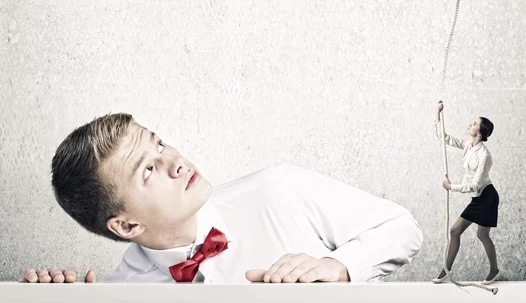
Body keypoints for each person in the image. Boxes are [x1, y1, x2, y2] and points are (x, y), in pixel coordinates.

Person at [19, 112, 423, 284]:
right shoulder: (121, 291)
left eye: (159, 144)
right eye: (147, 169)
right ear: (126, 226)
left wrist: (339, 266)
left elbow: (402, 228)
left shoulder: (278, 189)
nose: (174, 161)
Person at [432, 101, 500, 286]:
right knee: (458, 232)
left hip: (487, 197)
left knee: (479, 235)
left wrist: (450, 186)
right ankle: (447, 269)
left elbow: (475, 185)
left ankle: (493, 270)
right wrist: (437, 114)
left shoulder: (485, 156)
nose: (470, 124)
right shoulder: (469, 145)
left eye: (474, 123)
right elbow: (444, 138)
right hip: (480, 197)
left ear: (480, 132)